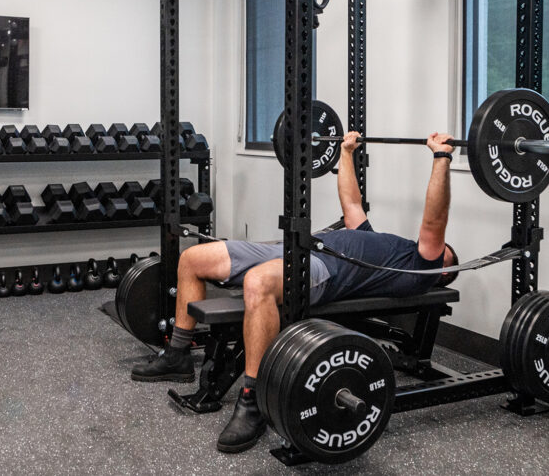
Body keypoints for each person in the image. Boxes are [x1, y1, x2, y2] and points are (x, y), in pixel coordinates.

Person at [131, 130, 460, 453]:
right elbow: (352, 204)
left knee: (257, 283)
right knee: (192, 259)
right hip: (298, 252)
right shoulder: (381, 241)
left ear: (442, 270)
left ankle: (253, 400)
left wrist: (441, 158)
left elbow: (433, 222)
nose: (438, 247)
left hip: (325, 272)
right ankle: (177, 355)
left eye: (443, 250)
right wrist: (346, 152)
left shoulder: (420, 268)